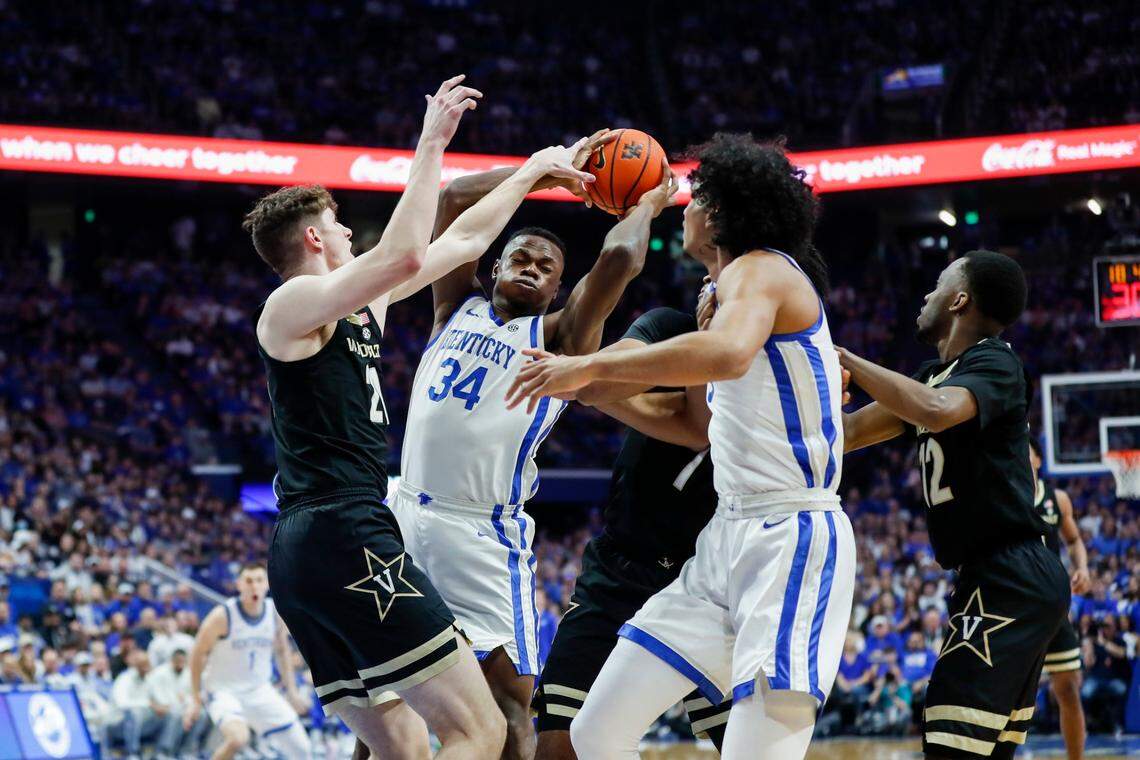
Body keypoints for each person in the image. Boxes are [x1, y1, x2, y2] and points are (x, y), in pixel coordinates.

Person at [246, 73, 593, 759]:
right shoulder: (286, 307)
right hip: (344, 528)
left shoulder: (355, 306)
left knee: (401, 744)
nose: (350, 232)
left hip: (313, 546)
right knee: (481, 730)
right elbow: (405, 251)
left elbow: (463, 241)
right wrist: (431, 141)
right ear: (316, 240)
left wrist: (534, 170)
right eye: (341, 225)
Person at [507, 133, 854, 760]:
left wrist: (583, 372)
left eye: (695, 198)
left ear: (719, 214)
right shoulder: (719, 297)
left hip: (790, 535)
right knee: (593, 736)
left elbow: (725, 355)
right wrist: (587, 384)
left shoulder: (761, 267)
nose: (683, 207)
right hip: (722, 540)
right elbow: (686, 419)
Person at [389, 133, 674, 760]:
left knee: (512, 704)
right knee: (392, 702)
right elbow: (457, 195)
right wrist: (547, 173)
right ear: (495, 265)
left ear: (556, 291)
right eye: (522, 257)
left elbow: (620, 263)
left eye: (547, 269)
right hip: (404, 513)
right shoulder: (451, 307)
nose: (533, 268)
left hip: (481, 536)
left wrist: (646, 204)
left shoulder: (562, 338)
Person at [838, 249, 1069, 759]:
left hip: (1011, 572)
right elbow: (850, 432)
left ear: (960, 300)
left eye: (939, 283)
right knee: (982, 750)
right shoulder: (929, 376)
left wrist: (847, 358)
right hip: (991, 576)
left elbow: (938, 411)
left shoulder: (995, 359)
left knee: (948, 742)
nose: (926, 294)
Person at [531, 243, 730, 760]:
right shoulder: (668, 325)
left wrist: (704, 348)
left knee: (745, 744)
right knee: (559, 742)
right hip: (620, 567)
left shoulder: (762, 371)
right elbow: (608, 369)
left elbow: (699, 426)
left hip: (705, 581)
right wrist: (585, 369)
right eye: (713, 286)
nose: (717, 295)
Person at [185, 563, 308, 760]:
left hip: (259, 690)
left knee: (302, 749)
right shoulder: (222, 615)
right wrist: (195, 698)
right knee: (238, 738)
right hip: (223, 690)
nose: (254, 586)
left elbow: (282, 651)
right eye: (249, 581)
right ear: (239, 585)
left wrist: (292, 691)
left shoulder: (274, 612)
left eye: (259, 580)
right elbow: (196, 654)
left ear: (267, 584)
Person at [1029, 436, 1090, 760]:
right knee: (1007, 696)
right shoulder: (1001, 497)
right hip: (1016, 609)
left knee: (1068, 689)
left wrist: (1082, 567)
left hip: (1053, 607)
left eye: (1025, 452)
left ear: (1038, 460)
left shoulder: (1058, 499)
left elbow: (1075, 540)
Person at [109, 651, 176, 760]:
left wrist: (165, 706)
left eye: (147, 664)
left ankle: (162, 752)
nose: (146, 667)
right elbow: (122, 704)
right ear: (135, 665)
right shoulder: (124, 678)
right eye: (143, 664)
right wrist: (149, 704)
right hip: (118, 723)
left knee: (171, 713)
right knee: (135, 713)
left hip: (142, 724)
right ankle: (133, 753)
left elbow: (160, 699)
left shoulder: (149, 678)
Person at [147, 648, 208, 759]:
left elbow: (190, 697)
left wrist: (189, 709)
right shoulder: (160, 673)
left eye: (182, 661)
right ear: (172, 660)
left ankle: (187, 751)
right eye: (178, 661)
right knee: (175, 713)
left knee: (201, 714)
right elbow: (158, 698)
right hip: (158, 709)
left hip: (181, 709)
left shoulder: (188, 673)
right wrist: (182, 708)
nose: (180, 664)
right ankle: (164, 752)